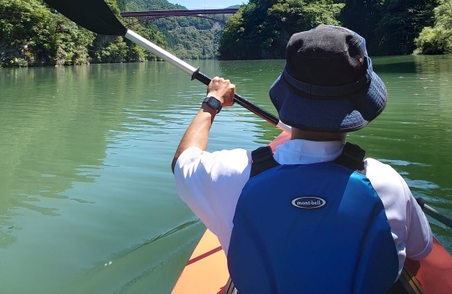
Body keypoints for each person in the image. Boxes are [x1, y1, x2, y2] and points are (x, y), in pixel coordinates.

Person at [173, 25, 433, 293]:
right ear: (359, 101)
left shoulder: (232, 174)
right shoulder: (386, 183)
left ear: (287, 92)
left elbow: (183, 161)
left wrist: (212, 101)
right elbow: (421, 249)